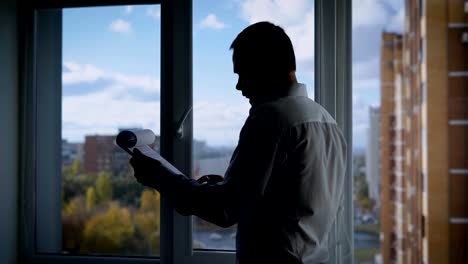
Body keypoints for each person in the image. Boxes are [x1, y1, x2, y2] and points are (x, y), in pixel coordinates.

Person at [130, 21, 347, 264]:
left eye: (243, 73)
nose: (239, 86)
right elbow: (298, 198)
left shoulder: (270, 118)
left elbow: (225, 210)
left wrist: (160, 177)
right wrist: (231, 186)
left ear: (267, 66)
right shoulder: (328, 122)